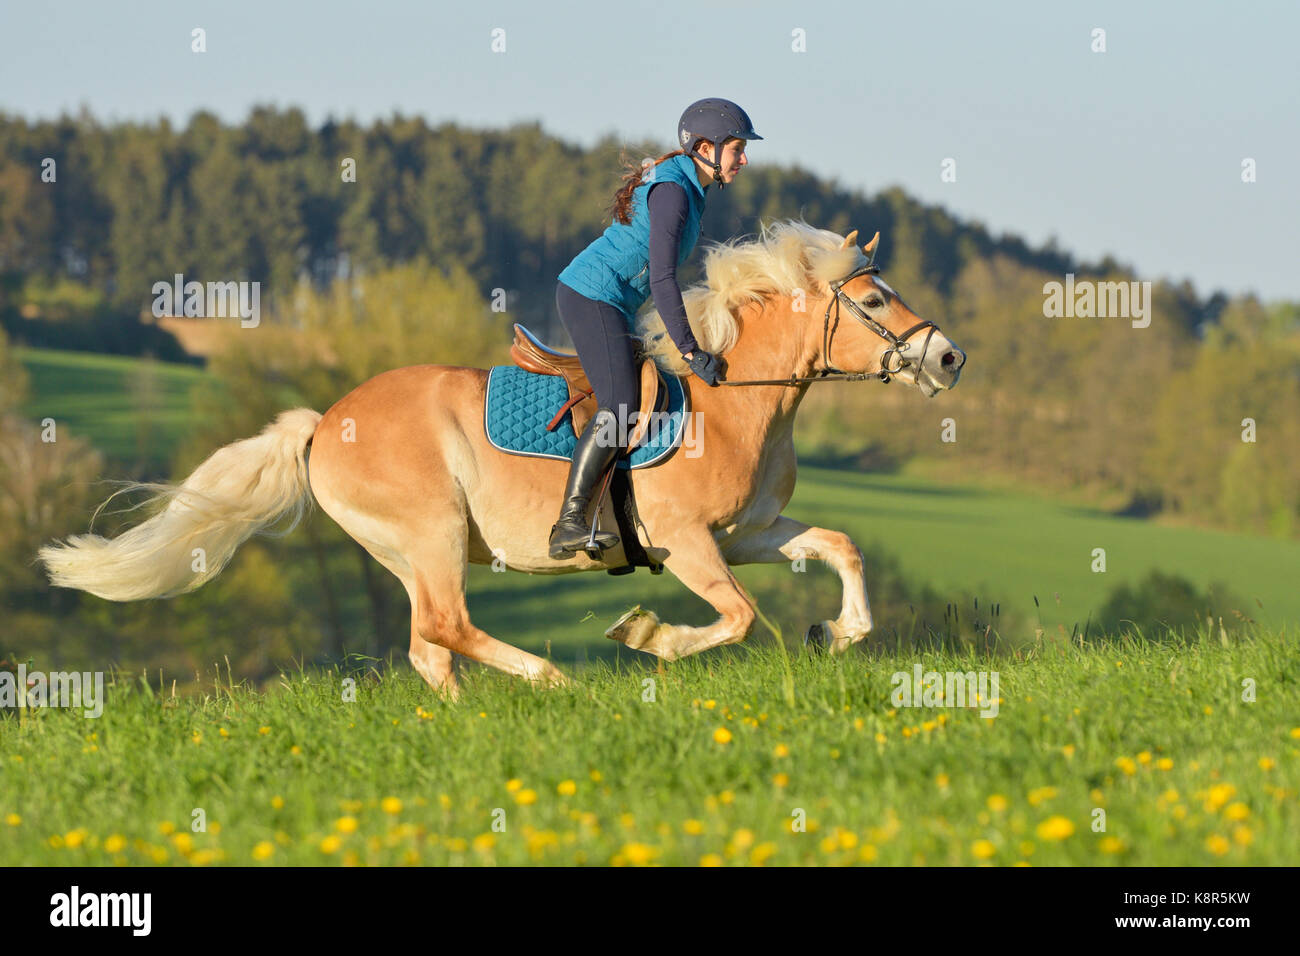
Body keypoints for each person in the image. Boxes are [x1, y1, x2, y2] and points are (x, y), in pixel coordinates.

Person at [548, 98, 762, 559]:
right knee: (621, 404)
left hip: (614, 304)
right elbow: (664, 279)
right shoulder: (674, 192)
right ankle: (568, 522)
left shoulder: (689, 189)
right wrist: (689, 349)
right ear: (705, 147)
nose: (743, 159)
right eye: (737, 149)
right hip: (590, 296)